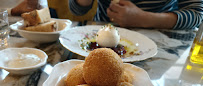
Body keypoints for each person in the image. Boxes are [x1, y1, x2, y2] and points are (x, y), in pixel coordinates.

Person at [11, 0, 203, 29]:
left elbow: (196, 13)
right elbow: (78, 9)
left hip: (161, 40)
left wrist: (143, 18)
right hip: (100, 36)